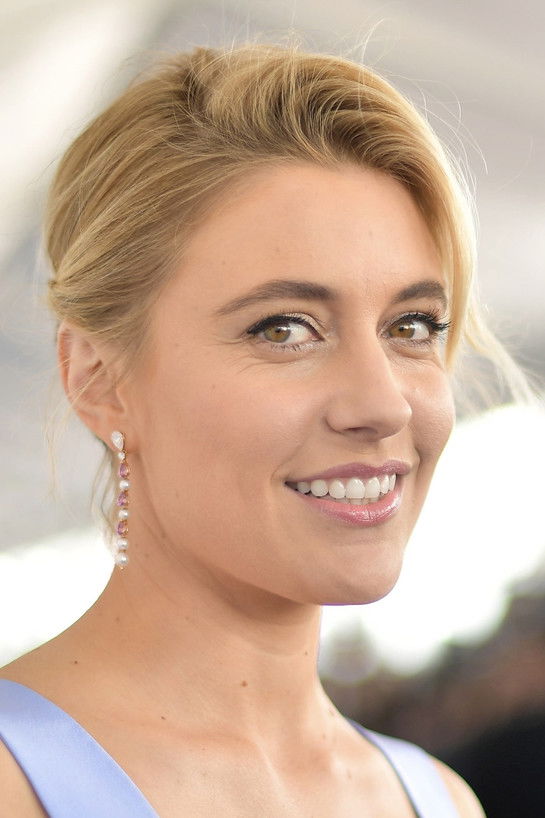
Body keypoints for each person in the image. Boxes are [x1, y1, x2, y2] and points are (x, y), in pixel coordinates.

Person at [0, 40, 508, 816]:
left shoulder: (437, 799)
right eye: (283, 329)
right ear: (98, 381)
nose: (383, 405)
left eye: (411, 325)